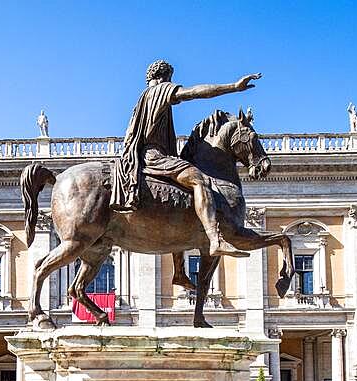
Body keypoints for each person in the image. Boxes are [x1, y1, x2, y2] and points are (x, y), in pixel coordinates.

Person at [109, 59, 261, 260]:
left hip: (146, 154)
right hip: (154, 156)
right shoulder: (160, 91)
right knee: (199, 180)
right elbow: (195, 92)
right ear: (165, 77)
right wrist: (233, 87)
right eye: (170, 78)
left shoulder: (143, 98)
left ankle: (180, 271)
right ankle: (215, 239)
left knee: (178, 206)